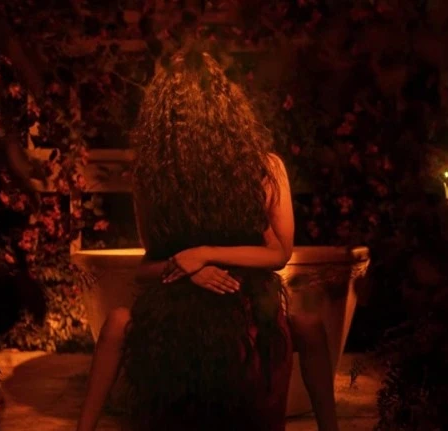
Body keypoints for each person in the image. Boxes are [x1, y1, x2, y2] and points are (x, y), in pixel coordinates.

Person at [76, 47, 339, 431]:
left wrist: (202, 254)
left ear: (163, 117)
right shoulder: (164, 175)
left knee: (128, 323)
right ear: (226, 108)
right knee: (140, 324)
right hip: (194, 305)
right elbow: (277, 253)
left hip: (229, 303)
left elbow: (278, 254)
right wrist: (187, 268)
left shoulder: (257, 168)